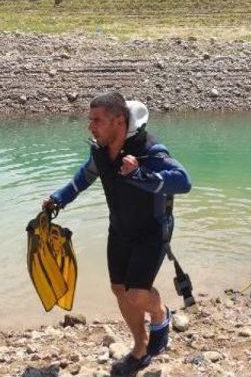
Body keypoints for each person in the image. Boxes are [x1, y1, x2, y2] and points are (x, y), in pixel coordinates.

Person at [42, 92, 192, 376]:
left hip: (152, 230)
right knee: (119, 290)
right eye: (90, 120)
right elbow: (85, 175)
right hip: (120, 229)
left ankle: (160, 315)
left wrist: (141, 175)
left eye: (97, 120)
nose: (91, 126)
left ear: (119, 122)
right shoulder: (101, 150)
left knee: (137, 295)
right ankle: (140, 348)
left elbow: (184, 181)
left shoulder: (150, 151)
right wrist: (59, 198)